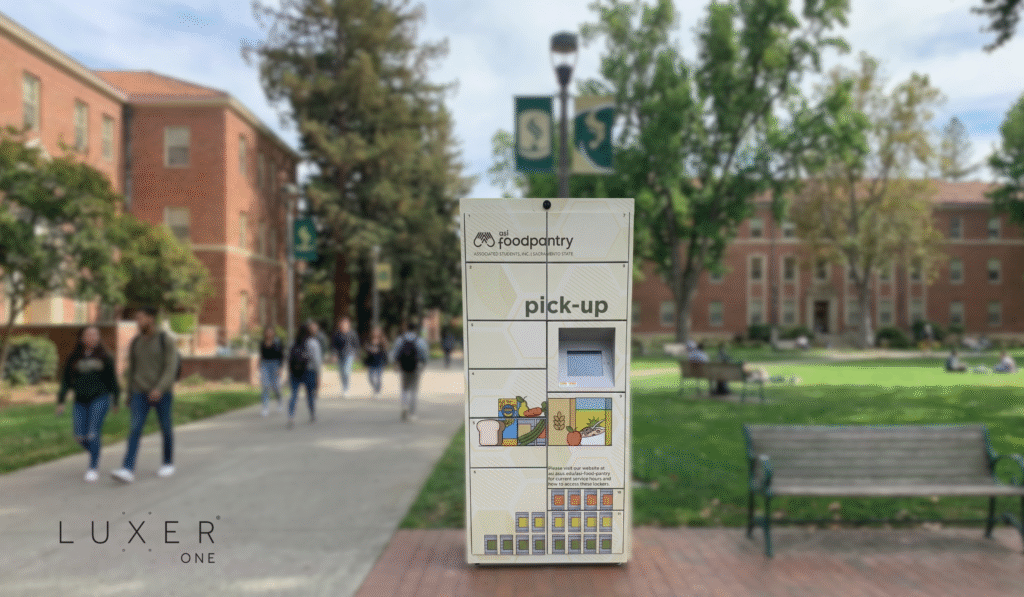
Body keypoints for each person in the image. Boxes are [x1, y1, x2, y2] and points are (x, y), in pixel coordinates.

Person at [111, 307, 179, 484]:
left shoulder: (165, 340)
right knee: (134, 429)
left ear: (151, 319)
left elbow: (170, 367)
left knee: (165, 427)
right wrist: (128, 393)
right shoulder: (136, 342)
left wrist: (160, 388)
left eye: (140, 318)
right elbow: (132, 369)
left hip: (162, 393)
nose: (138, 322)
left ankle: (167, 463)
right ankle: (127, 468)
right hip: (139, 392)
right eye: (136, 318)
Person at [56, 325, 120, 482]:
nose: (93, 337)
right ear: (82, 337)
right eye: (89, 334)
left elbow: (112, 380)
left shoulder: (105, 356)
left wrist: (115, 400)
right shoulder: (74, 357)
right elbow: (66, 380)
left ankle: (93, 467)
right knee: (79, 436)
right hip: (80, 400)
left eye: (95, 335)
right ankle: (96, 451)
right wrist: (61, 401)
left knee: (92, 433)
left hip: (100, 398)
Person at [390, 320, 429, 422]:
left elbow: (395, 353)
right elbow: (424, 354)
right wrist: (424, 365)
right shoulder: (420, 340)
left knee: (404, 388)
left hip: (404, 367)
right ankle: (412, 413)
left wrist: (395, 364)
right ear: (415, 329)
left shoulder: (400, 339)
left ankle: (404, 406)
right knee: (414, 390)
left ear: (407, 328)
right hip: (416, 367)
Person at [287, 320, 323, 428]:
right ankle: (312, 414)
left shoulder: (293, 343)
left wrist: (289, 371)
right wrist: (318, 373)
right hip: (309, 371)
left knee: (294, 394)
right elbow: (317, 360)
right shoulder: (313, 342)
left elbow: (289, 358)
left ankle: (291, 417)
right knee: (309, 395)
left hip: (295, 371)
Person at [331, 316, 360, 398]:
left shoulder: (352, 333)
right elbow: (334, 346)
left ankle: (347, 389)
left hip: (349, 354)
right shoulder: (337, 334)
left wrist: (356, 354)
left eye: (346, 323)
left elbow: (356, 345)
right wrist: (334, 355)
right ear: (340, 324)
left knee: (346, 371)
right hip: (340, 355)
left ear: (348, 324)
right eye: (343, 323)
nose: (344, 325)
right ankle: (344, 388)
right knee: (342, 373)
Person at [258, 326, 285, 416]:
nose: (269, 333)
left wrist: (280, 368)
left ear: (273, 333)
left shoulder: (277, 342)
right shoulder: (262, 343)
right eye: (267, 331)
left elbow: (281, 355)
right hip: (265, 365)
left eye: (270, 331)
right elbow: (261, 355)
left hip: (275, 365)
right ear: (265, 333)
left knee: (276, 386)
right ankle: (265, 408)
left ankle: (280, 402)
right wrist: (259, 366)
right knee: (265, 386)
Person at [363, 326, 389, 400]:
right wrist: (370, 349)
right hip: (371, 361)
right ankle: (375, 388)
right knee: (370, 378)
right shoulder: (369, 340)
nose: (375, 333)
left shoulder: (383, 341)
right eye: (374, 332)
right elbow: (365, 348)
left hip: (380, 362)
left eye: (377, 332)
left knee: (378, 378)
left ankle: (377, 391)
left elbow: (385, 352)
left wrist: (386, 361)